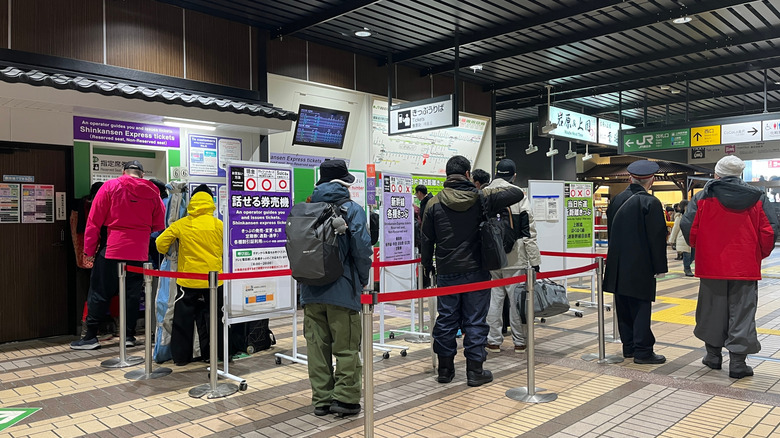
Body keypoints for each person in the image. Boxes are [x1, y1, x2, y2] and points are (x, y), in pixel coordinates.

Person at [421, 155, 524, 386]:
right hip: (477, 270)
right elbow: (517, 193)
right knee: (475, 320)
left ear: (446, 175)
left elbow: (426, 240)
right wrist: (487, 190)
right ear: (468, 174)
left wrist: (427, 266)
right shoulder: (481, 198)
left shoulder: (433, 203)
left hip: (446, 271)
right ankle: (475, 371)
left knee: (446, 319)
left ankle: (445, 370)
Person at [681, 155, 778, 379]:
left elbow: (690, 228)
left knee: (711, 311)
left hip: (711, 266)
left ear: (717, 174)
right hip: (744, 267)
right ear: (740, 174)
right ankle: (738, 363)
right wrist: (757, 255)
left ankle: (713, 357)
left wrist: (703, 249)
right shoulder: (758, 197)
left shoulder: (702, 197)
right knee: (742, 312)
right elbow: (769, 231)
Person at [300, 159, 372, 417]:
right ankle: (345, 399)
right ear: (344, 182)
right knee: (347, 347)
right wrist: (363, 278)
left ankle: (321, 400)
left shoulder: (308, 207)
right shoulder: (352, 209)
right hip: (343, 290)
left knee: (317, 349)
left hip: (310, 291)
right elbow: (362, 249)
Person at [71, 160, 165, 350]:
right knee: (132, 295)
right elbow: (159, 224)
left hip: (113, 249)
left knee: (99, 292)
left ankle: (90, 337)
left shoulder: (110, 186)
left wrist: (88, 251)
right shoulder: (153, 192)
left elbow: (93, 222)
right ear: (142, 174)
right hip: (139, 253)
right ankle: (128, 335)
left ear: (123, 172)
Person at [603, 160, 668, 364]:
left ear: (630, 178)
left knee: (622, 306)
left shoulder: (616, 200)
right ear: (652, 180)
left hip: (616, 264)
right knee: (641, 306)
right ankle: (643, 351)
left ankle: (628, 347)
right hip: (640, 265)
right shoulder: (651, 203)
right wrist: (660, 267)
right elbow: (656, 238)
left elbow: (610, 233)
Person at [155, 184, 223, 366]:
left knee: (182, 321)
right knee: (216, 319)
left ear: (191, 203)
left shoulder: (182, 224)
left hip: (188, 282)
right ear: (211, 203)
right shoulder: (219, 225)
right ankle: (219, 354)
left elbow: (160, 244)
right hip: (214, 281)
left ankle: (181, 358)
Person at [484, 159, 541, 353]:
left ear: (496, 173)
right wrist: (535, 261)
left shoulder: (485, 192)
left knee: (495, 298)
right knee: (516, 299)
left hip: (491, 256)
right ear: (514, 175)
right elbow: (528, 232)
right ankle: (519, 341)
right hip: (514, 256)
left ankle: (493, 340)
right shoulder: (519, 196)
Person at [668, 200, 693, 276]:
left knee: (692, 255)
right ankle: (687, 269)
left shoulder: (692, 215)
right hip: (683, 238)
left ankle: (687, 267)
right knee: (687, 255)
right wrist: (671, 240)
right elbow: (675, 229)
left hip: (691, 238)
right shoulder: (679, 217)